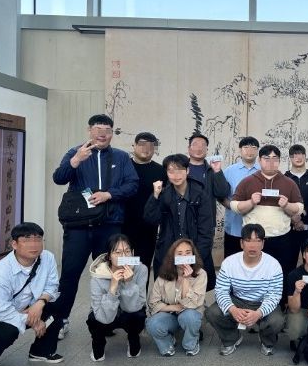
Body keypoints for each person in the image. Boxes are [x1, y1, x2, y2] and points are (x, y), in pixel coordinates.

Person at [52, 114, 139, 339]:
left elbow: (133, 185)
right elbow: (59, 178)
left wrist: (109, 194)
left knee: (109, 272)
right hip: (79, 225)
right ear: (89, 130)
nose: (102, 134)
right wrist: (76, 160)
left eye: (107, 130)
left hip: (110, 224)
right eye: (98, 129)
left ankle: (104, 318)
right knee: (70, 273)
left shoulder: (121, 157)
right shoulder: (75, 152)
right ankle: (60, 320)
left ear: (112, 133)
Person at [0, 223, 63, 366]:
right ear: (14, 244)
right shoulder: (0, 273)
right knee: (8, 330)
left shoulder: (47, 258)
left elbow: (52, 285)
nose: (34, 244)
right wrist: (33, 321)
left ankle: (40, 351)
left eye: (38, 239)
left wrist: (40, 303)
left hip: (27, 306)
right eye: (27, 239)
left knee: (57, 306)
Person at [205, 224, 284, 356]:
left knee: (277, 320)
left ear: (263, 244)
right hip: (238, 300)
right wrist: (233, 309)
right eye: (248, 240)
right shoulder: (229, 262)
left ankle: (267, 341)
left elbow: (275, 295)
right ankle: (231, 338)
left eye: (257, 241)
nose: (253, 246)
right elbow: (221, 291)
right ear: (241, 243)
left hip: (262, 301)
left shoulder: (273, 265)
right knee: (212, 312)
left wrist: (258, 313)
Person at [230, 145, 303, 276]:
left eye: (275, 158)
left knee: (281, 274)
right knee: (254, 274)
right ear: (259, 160)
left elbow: (299, 208)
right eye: (267, 158)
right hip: (254, 240)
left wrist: (287, 205)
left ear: (279, 161)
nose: (271, 162)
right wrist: (251, 202)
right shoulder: (247, 181)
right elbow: (234, 206)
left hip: (281, 239)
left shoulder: (289, 183)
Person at [144, 153, 215, 289]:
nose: (175, 175)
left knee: (193, 290)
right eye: (171, 171)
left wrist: (196, 259)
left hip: (194, 252)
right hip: (169, 252)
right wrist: (155, 195)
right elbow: (151, 219)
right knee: (168, 289)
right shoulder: (164, 194)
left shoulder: (200, 195)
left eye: (179, 170)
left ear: (187, 171)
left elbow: (206, 231)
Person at [87, 234, 147, 361]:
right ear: (109, 256)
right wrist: (113, 288)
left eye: (127, 251)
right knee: (94, 319)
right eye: (118, 252)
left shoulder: (141, 270)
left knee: (139, 315)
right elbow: (102, 317)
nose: (123, 256)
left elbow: (136, 307)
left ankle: (133, 337)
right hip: (105, 316)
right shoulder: (97, 275)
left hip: (129, 313)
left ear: (133, 253)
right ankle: (99, 342)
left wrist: (129, 283)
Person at [146, 239, 207, 357]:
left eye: (188, 253)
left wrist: (186, 280)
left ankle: (190, 344)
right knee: (152, 323)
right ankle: (168, 342)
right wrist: (175, 307)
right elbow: (153, 303)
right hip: (169, 315)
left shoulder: (201, 274)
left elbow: (192, 304)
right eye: (179, 254)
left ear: (193, 255)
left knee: (190, 317)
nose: (184, 257)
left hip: (190, 314)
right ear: (173, 257)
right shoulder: (163, 275)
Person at [122, 132, 165, 278]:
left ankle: (141, 294)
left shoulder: (160, 171)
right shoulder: (124, 167)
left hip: (148, 227)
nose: (146, 149)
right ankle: (120, 293)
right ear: (134, 146)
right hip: (123, 225)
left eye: (151, 146)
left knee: (143, 266)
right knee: (122, 265)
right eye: (142, 144)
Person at [285, 144, 308, 271]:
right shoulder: (284, 178)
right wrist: (293, 219)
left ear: (305, 157)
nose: (298, 157)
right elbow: (282, 201)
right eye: (294, 155)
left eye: (301, 154)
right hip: (288, 227)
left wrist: (300, 216)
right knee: (288, 262)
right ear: (290, 158)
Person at [222, 136, 261, 258]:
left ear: (258, 151)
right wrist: (233, 207)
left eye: (253, 148)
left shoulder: (263, 171)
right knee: (232, 259)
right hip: (234, 225)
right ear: (240, 150)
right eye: (246, 147)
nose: (249, 151)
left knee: (256, 260)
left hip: (259, 225)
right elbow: (221, 195)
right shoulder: (229, 171)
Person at [186, 132, 231, 228]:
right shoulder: (181, 169)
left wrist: (218, 171)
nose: (199, 148)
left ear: (207, 149)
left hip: (206, 223)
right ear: (189, 148)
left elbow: (222, 193)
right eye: (195, 144)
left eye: (203, 145)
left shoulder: (212, 170)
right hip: (184, 221)